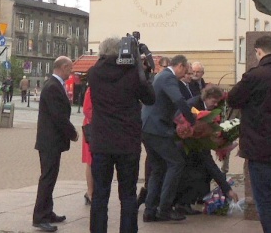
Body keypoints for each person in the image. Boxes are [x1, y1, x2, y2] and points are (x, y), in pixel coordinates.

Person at [227, 35, 271, 233]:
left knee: (264, 200)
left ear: (258, 51)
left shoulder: (254, 76)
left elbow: (232, 99)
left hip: (258, 146)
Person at [87, 37, 156, 233]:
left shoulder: (94, 73)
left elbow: (101, 63)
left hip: (101, 142)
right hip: (128, 143)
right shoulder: (133, 73)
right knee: (127, 195)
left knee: (100, 194)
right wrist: (139, 66)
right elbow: (150, 98)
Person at [141, 55, 197, 222]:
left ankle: (150, 210)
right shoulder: (169, 77)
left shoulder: (161, 76)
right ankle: (164, 208)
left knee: (158, 168)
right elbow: (179, 100)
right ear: (179, 66)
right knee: (176, 163)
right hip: (157, 129)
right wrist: (192, 120)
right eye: (186, 69)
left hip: (148, 128)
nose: (187, 73)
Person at [174, 85, 238, 215]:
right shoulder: (193, 105)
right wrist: (227, 189)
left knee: (203, 171)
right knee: (195, 172)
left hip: (195, 142)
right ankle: (182, 203)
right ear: (207, 97)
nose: (215, 105)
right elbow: (178, 120)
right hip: (182, 143)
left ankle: (187, 201)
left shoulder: (205, 107)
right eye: (214, 102)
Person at [32, 56, 79, 232]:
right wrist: (72, 133)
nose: (71, 72)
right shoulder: (52, 87)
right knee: (47, 178)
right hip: (49, 141)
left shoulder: (55, 84)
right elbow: (58, 116)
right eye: (70, 69)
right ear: (64, 67)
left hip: (52, 141)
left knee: (50, 177)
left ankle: (47, 211)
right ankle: (40, 217)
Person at [81, 83, 93, 206]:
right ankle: (90, 192)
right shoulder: (92, 89)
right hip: (91, 128)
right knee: (90, 161)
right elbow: (87, 109)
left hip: (99, 128)